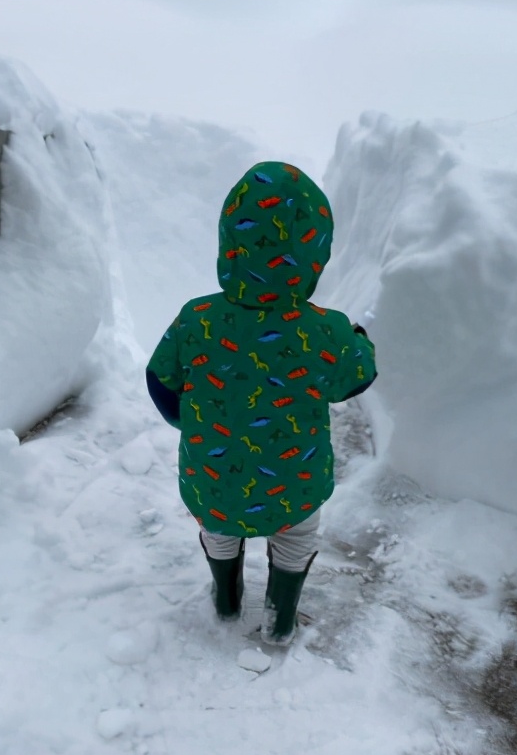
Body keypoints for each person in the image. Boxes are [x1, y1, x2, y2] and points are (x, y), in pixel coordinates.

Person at [146, 160, 377, 646]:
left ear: (230, 240)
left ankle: (226, 599)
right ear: (314, 253)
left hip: (212, 475)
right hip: (294, 481)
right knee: (295, 541)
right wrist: (359, 337)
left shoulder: (197, 318)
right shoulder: (326, 330)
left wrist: (189, 422)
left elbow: (161, 380)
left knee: (220, 533)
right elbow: (358, 376)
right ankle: (280, 620)